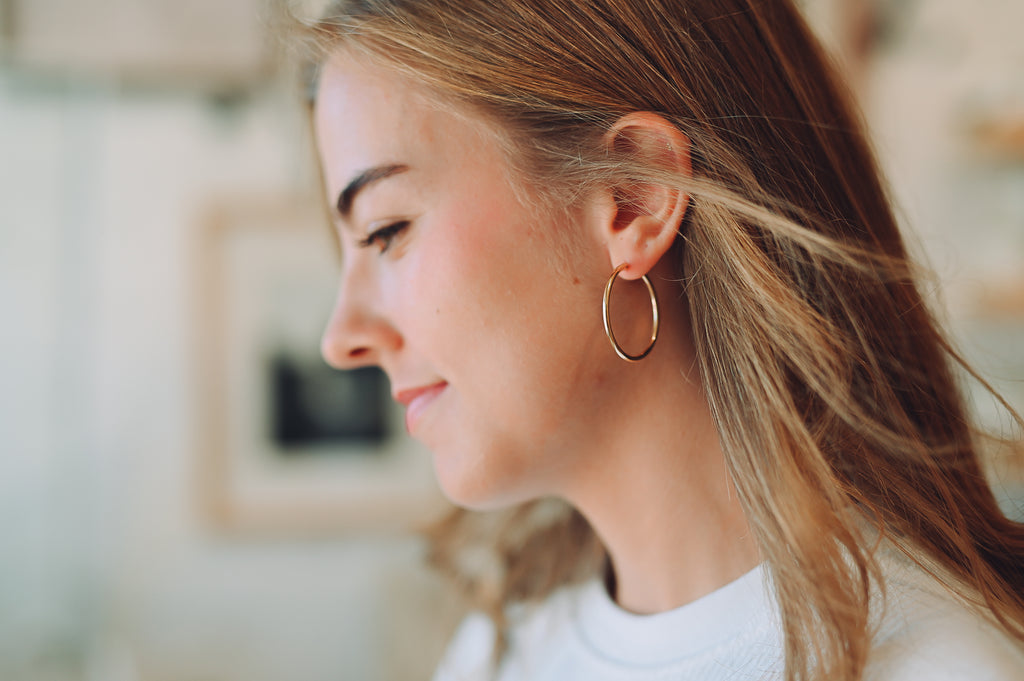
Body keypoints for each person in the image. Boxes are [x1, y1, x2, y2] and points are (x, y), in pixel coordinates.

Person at [300, 1, 1024, 679]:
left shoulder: (940, 662)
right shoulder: (499, 650)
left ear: (633, 195)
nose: (342, 339)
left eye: (386, 230)